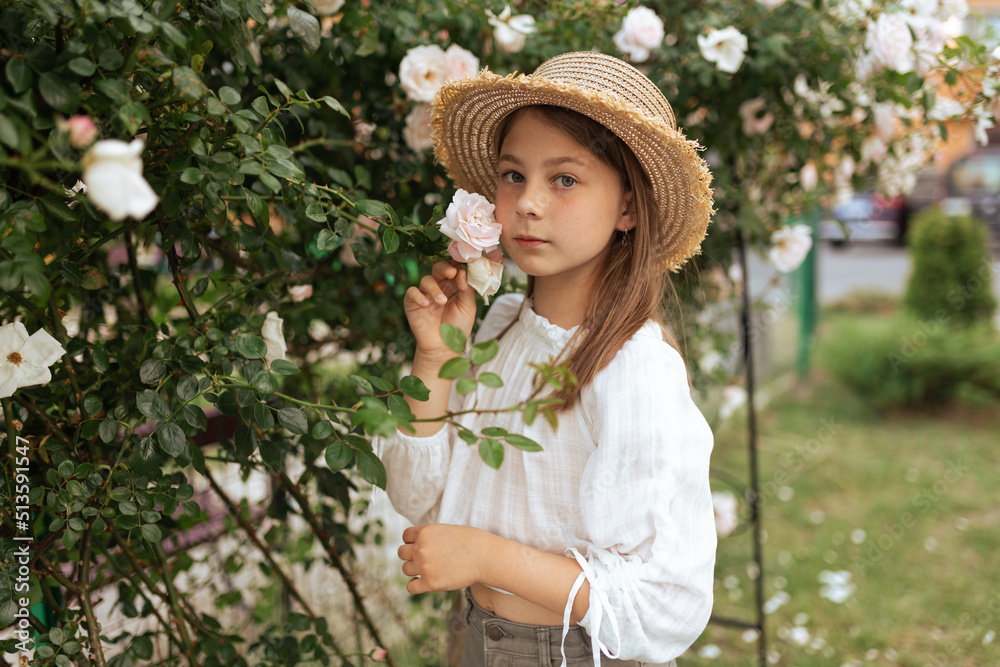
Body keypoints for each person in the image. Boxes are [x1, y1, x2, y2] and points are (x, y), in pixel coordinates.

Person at [374, 51, 717, 666]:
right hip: (475, 637)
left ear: (628, 209)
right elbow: (415, 496)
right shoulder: (501, 327)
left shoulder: (632, 369)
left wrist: (486, 557)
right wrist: (435, 357)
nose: (528, 202)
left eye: (564, 179)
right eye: (513, 175)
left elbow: (665, 605)